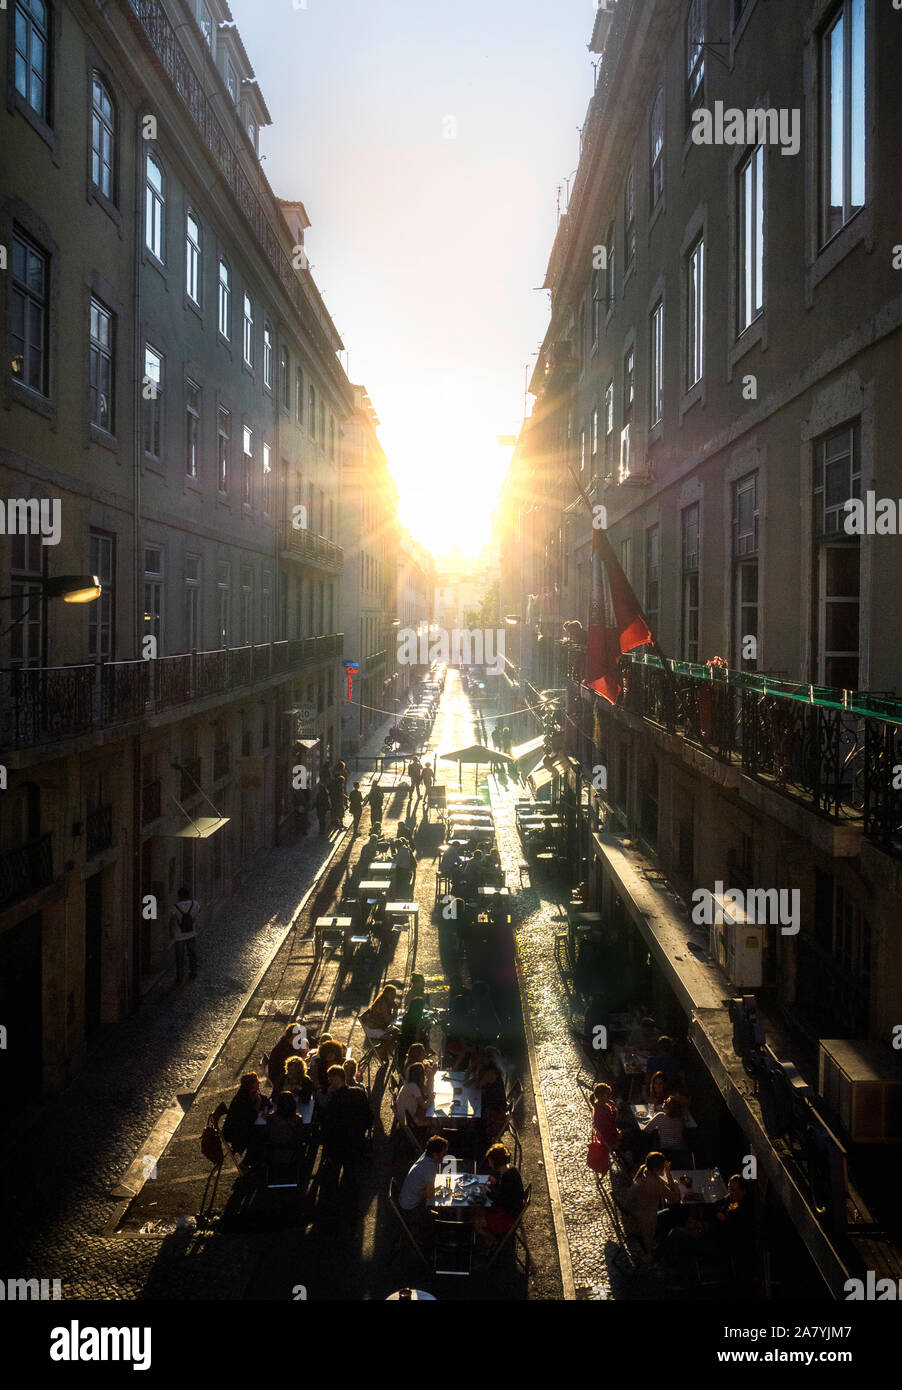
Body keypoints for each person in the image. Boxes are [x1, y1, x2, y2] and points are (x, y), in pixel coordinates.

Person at [319, 1066, 372, 1193]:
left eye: (331, 1081)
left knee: (335, 1172)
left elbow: (328, 1124)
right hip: (357, 1141)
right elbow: (369, 1116)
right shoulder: (359, 1092)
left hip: (339, 1145)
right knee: (350, 1172)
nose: (330, 1083)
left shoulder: (334, 1099)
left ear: (337, 1080)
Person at [620, 1151, 680, 1260]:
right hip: (642, 1224)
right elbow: (675, 1198)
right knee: (676, 1214)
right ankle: (664, 1249)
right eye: (663, 1167)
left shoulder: (645, 1172)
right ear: (656, 1169)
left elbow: (665, 1186)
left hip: (634, 1218)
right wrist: (674, 1182)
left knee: (669, 1212)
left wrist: (667, 1174)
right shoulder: (653, 1182)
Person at [472, 1143, 525, 1243]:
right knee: (478, 1210)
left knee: (476, 1223)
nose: (489, 1164)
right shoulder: (510, 1169)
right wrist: (495, 1182)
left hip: (509, 1217)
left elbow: (500, 1201)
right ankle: (487, 1240)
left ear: (493, 1161)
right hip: (512, 1210)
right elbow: (505, 1193)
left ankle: (493, 1241)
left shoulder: (507, 1177)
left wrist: (486, 1192)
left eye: (490, 1161)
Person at [222, 1073, 271, 1165]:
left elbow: (264, 1099)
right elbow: (249, 1118)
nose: (259, 1083)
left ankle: (255, 1160)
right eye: (257, 1082)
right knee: (259, 1136)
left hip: (244, 1127)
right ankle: (247, 1163)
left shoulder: (251, 1093)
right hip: (235, 1132)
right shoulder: (242, 1099)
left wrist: (264, 1106)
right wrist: (258, 1104)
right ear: (252, 1085)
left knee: (262, 1132)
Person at [398, 1134, 448, 1212]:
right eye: (443, 1153)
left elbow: (424, 1191)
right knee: (441, 1210)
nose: (446, 1155)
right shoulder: (429, 1166)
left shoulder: (426, 1156)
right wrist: (443, 1190)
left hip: (405, 1199)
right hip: (410, 1208)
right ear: (435, 1155)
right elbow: (430, 1194)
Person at [169, 887, 199, 983]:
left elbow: (172, 921)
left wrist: (171, 932)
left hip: (179, 936)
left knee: (179, 957)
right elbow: (197, 914)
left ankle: (180, 977)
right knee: (192, 954)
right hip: (191, 933)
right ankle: (193, 972)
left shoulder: (175, 907)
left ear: (179, 896)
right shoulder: (195, 904)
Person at [590, 1082, 621, 1175]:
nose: (609, 1098)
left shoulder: (598, 1107)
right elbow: (613, 1121)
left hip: (605, 1137)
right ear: (601, 1096)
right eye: (607, 1095)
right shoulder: (603, 1109)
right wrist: (613, 1107)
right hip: (609, 1140)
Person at [395, 1061, 430, 1139]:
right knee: (434, 1122)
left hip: (405, 1115)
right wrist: (432, 1098)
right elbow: (425, 1106)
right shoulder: (414, 1087)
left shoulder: (408, 1084)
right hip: (409, 1121)